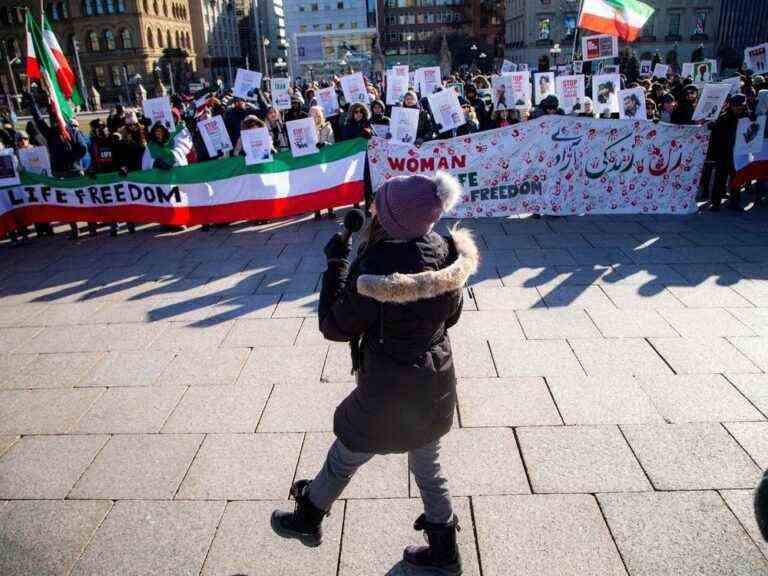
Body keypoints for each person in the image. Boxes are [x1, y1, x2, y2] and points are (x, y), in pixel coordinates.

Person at [272, 171, 479, 576]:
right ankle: (444, 552)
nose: (372, 211)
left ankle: (309, 516)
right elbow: (450, 317)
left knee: (347, 451)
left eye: (379, 207)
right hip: (434, 379)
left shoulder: (376, 267)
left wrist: (336, 264)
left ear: (393, 218)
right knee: (429, 468)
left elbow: (335, 326)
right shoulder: (445, 249)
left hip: (387, 389)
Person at [708, 94, 749, 211]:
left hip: (739, 153)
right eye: (736, 106)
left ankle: (734, 203)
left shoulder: (746, 117)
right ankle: (715, 203)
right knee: (719, 178)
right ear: (731, 106)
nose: (738, 109)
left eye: (740, 107)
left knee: (736, 179)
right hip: (724, 153)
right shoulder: (723, 118)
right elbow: (715, 138)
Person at [309, 105, 336, 220]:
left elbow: (332, 143)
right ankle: (317, 211)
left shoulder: (327, 127)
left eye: (317, 114)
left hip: (325, 161)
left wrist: (325, 144)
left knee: (327, 185)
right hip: (313, 162)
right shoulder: (306, 128)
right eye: (312, 115)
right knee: (315, 186)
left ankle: (330, 209)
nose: (315, 117)